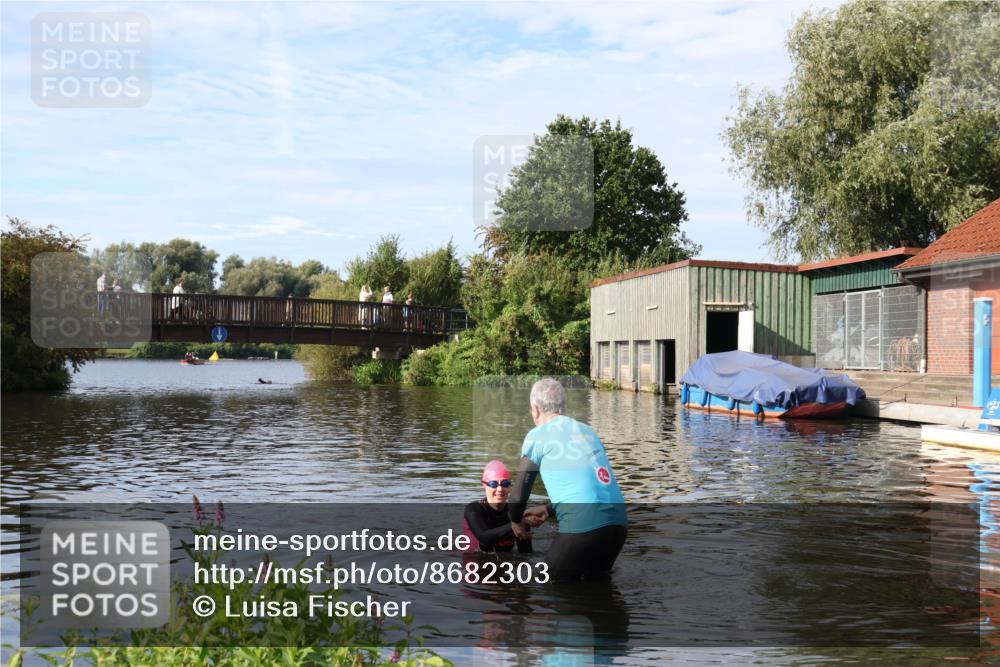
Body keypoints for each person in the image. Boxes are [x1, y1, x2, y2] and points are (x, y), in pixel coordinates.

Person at [508, 378, 628, 582]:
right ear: (563, 407)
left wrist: (516, 521)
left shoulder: (537, 435)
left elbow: (518, 496)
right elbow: (593, 487)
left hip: (583, 526)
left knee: (545, 586)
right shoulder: (588, 431)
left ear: (535, 410)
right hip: (618, 525)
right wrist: (549, 509)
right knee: (595, 589)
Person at [463, 460, 542, 554]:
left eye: (505, 483)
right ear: (484, 485)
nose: (500, 489)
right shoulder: (474, 509)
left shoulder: (516, 513)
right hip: (475, 562)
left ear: (510, 487)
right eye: (493, 484)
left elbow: (525, 553)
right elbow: (484, 538)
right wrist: (517, 524)